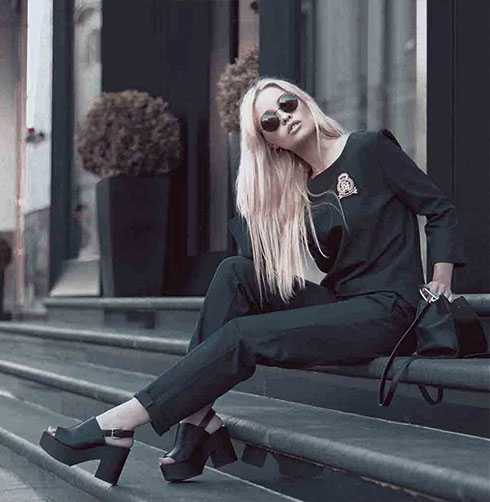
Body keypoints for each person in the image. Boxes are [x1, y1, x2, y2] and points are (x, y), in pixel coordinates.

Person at [39, 77, 466, 486]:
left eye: (287, 104)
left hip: (390, 309)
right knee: (234, 273)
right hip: (341, 304)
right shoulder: (301, 187)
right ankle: (196, 419)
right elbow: (263, 255)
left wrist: (439, 282)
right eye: (270, 122)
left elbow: (439, 210)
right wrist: (265, 199)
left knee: (244, 335)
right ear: (270, 142)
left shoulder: (369, 148)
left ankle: (119, 423)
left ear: (303, 101)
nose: (284, 117)